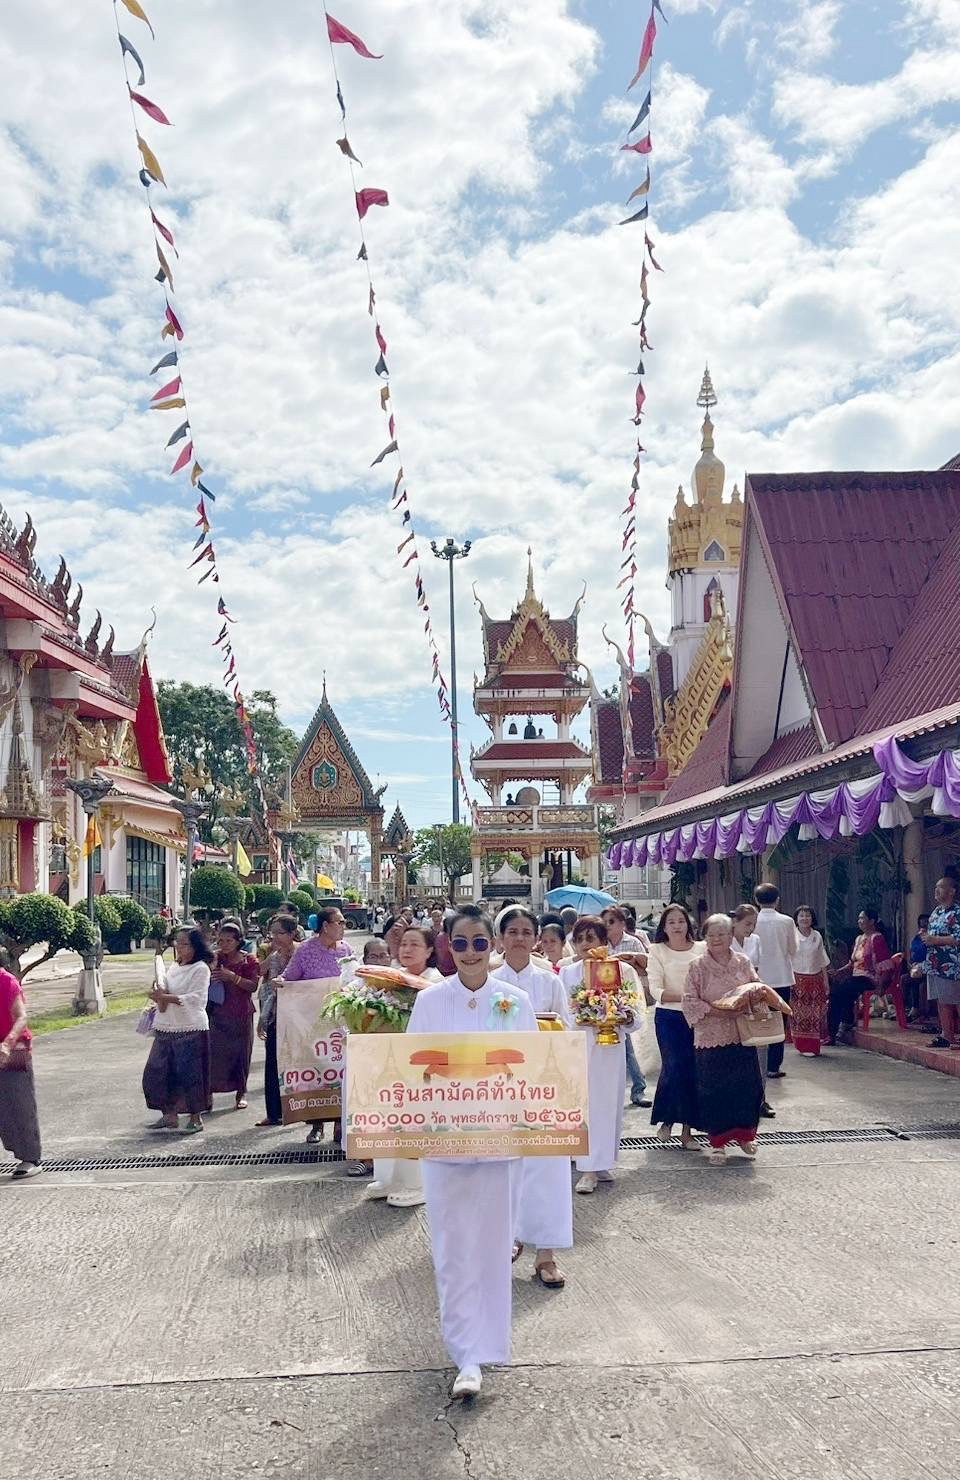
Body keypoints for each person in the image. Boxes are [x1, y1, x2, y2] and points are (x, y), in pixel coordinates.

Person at [408, 905, 539, 1399]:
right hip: (444, 1144)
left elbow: (533, 1070)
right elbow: (410, 1068)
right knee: (451, 1247)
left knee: (493, 1247)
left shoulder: (515, 1001)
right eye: (460, 943)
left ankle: (488, 1346)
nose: (470, 953)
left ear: (493, 946)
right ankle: (464, 1354)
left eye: (479, 943)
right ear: (447, 946)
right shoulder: (429, 1001)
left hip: (501, 1142)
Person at [493, 906, 573, 1290]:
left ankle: (546, 1254)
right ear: (500, 938)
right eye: (513, 931)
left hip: (543, 1089)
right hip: (499, 1088)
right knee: (504, 1168)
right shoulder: (487, 981)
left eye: (527, 931)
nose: (520, 938)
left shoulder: (550, 981)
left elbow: (567, 1031)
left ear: (537, 938)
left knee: (547, 1169)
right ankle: (508, 1237)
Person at [559, 915, 641, 1194]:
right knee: (586, 1107)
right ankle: (589, 1168)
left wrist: (621, 1015)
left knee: (609, 1106)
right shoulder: (567, 973)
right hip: (579, 1047)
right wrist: (586, 1015)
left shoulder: (622, 970)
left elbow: (636, 1010)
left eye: (591, 938)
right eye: (579, 939)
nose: (585, 944)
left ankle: (602, 1161)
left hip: (611, 1047)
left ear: (604, 941)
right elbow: (563, 1013)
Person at [365, 926, 443, 1209]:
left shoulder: (435, 983)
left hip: (421, 1065)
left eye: (414, 944)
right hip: (391, 1063)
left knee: (414, 1121)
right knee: (389, 1118)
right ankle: (388, 1178)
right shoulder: (390, 978)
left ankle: (417, 1183)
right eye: (404, 944)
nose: (407, 949)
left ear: (430, 950)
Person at [682, 914, 769, 1166]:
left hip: (741, 1034)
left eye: (721, 934)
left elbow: (756, 987)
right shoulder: (697, 966)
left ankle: (744, 1136)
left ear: (731, 936)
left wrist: (752, 998)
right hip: (710, 1036)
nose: (716, 939)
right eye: (710, 935)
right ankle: (717, 1143)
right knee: (715, 1090)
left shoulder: (742, 961)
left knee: (745, 1087)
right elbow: (689, 1000)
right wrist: (719, 1010)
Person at [279, 906, 354, 1150]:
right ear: (325, 926)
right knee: (316, 1071)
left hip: (339, 1023)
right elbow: (290, 977)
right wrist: (281, 982)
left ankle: (340, 1124)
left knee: (340, 1070)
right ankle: (316, 1124)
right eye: (340, 922)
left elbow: (353, 980)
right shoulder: (306, 950)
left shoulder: (346, 950)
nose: (343, 926)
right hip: (311, 1024)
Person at [142, 927, 213, 1133]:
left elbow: (196, 998)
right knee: (157, 1072)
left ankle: (195, 1117)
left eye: (184, 944)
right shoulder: (174, 966)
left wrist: (166, 997)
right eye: (177, 943)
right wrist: (159, 991)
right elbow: (166, 988)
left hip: (190, 1027)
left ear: (196, 947)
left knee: (190, 1075)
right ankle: (169, 1114)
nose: (179, 948)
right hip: (166, 1026)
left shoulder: (201, 968)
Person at [647, 905, 704, 1147]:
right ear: (664, 927)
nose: (677, 926)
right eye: (671, 922)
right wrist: (686, 997)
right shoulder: (657, 950)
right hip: (669, 1017)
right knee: (673, 1067)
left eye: (681, 921)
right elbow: (656, 989)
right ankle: (667, 1119)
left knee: (694, 1071)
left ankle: (687, 1131)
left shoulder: (702, 948)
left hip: (698, 1017)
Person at [602, 905, 652, 1109]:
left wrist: (630, 960)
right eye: (605, 922)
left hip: (626, 1000)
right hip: (601, 1001)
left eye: (612, 921)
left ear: (622, 924)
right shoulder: (600, 944)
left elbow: (645, 967)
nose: (608, 926)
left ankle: (638, 1089)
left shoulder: (633, 942)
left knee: (629, 1046)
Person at [207, 921, 259, 1110]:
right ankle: (208, 1094)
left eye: (229, 941)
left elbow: (252, 986)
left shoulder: (249, 960)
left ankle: (241, 1092)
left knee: (241, 1054)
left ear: (238, 941)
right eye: (221, 940)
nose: (224, 944)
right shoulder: (215, 958)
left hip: (241, 1013)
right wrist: (211, 967)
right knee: (214, 1054)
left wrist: (232, 977)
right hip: (217, 1013)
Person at [0, 958, 42, 1177]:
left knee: (19, 1106)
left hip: (11, 1051)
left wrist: (7, 1043)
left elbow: (21, 1016)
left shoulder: (6, 981)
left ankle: (30, 1158)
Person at [751, 883, 797, 1080]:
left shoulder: (752, 921)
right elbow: (793, 948)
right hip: (781, 977)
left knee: (758, 1022)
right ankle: (773, 1066)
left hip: (757, 978)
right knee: (779, 1023)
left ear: (756, 900)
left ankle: (757, 1065)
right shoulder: (786, 921)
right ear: (777, 900)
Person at [256, 915, 298, 1126]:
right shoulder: (273, 957)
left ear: (292, 933)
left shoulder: (302, 953)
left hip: (300, 1017)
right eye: (272, 933)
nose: (275, 937)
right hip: (276, 1015)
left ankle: (304, 1111)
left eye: (280, 933)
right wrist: (263, 1017)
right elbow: (266, 987)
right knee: (272, 1063)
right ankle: (273, 1113)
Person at [827, 908, 890, 1044]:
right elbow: (852, 962)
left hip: (870, 978)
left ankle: (839, 1027)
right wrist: (838, 971)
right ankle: (841, 1025)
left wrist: (881, 986)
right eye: (859, 918)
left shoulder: (877, 938)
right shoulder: (859, 939)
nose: (859, 921)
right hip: (856, 977)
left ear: (871, 921)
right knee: (838, 990)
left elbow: (885, 965)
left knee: (844, 989)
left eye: (862, 918)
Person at [921, 878, 960, 1049]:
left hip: (952, 964)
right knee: (942, 1000)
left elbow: (958, 938)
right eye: (935, 887)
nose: (936, 890)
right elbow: (932, 935)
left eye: (941, 887)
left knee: (957, 1000)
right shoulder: (936, 911)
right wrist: (926, 937)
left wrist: (935, 940)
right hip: (935, 963)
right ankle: (947, 1035)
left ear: (952, 891)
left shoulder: (957, 912)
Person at [791, 906, 830, 1056]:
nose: (805, 919)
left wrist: (826, 981)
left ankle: (813, 1046)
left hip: (815, 979)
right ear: (796, 919)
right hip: (797, 980)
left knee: (815, 1015)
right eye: (801, 916)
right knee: (799, 1015)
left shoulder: (817, 936)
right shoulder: (791, 935)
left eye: (808, 916)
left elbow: (822, 960)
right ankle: (802, 1046)